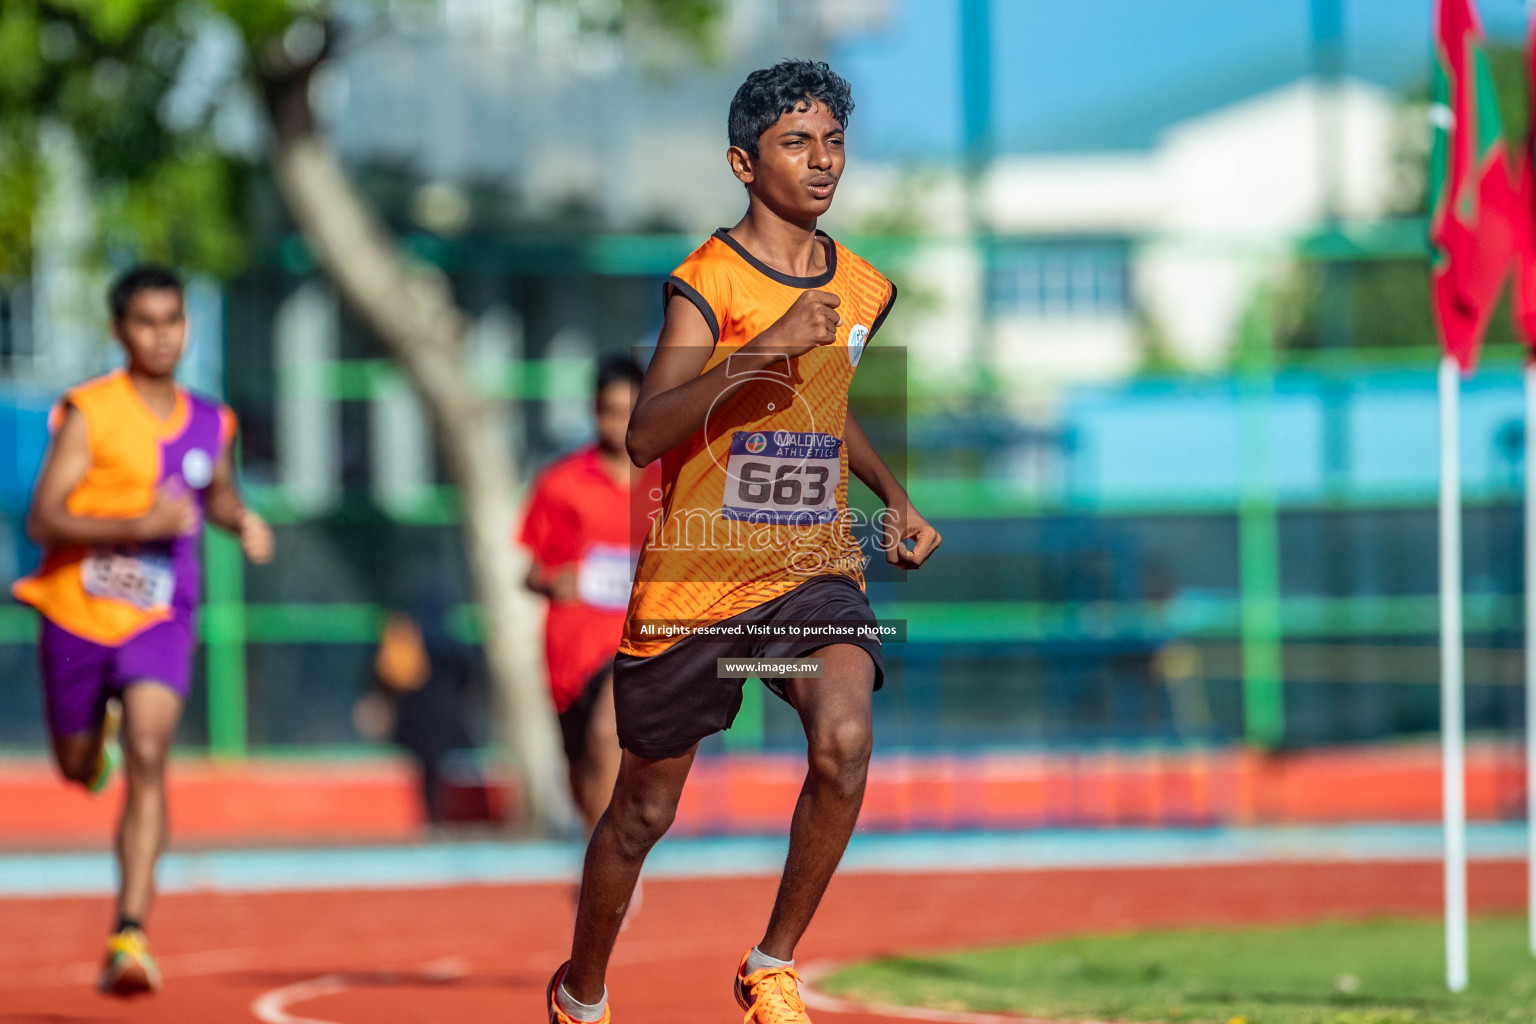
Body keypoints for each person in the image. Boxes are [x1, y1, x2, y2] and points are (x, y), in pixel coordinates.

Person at [546, 60, 941, 1024]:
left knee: (845, 741)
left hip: (811, 567)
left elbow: (825, 409)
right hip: (696, 581)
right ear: (743, 161)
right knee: (643, 813)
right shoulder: (707, 281)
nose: (822, 162)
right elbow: (645, 431)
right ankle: (580, 991)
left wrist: (894, 495)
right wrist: (759, 348)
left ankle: (772, 963)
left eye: (834, 142)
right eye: (796, 143)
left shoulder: (862, 287)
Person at [12, 265, 273, 996]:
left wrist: (242, 520)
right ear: (120, 331)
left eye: (174, 320)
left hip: (161, 614)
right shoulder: (90, 412)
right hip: (76, 610)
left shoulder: (211, 421)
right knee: (73, 764)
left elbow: (216, 494)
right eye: (147, 322)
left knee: (152, 750)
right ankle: (93, 751)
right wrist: (136, 524)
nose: (163, 335)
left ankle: (129, 933)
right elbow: (42, 518)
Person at [520, 358, 659, 835]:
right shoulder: (560, 483)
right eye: (607, 410)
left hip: (642, 640)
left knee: (608, 735)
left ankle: (613, 865)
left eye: (628, 410)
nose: (617, 423)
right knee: (580, 766)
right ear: (592, 411)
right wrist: (557, 581)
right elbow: (532, 571)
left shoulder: (672, 482)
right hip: (572, 649)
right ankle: (597, 849)